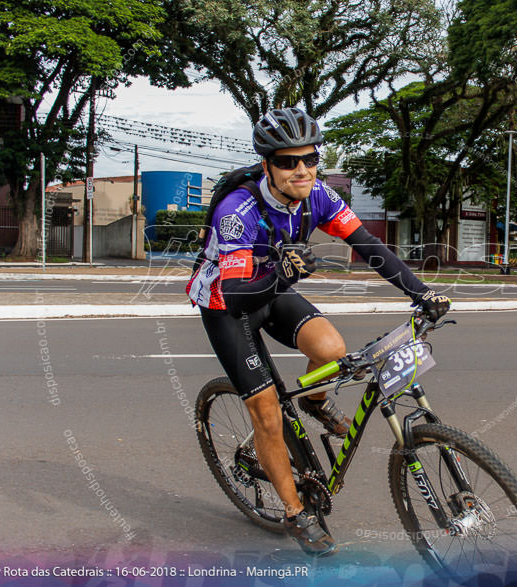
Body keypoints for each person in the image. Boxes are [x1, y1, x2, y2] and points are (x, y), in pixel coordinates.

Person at [186, 107, 450, 556]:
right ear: (267, 164)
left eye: (309, 159)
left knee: (331, 348)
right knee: (267, 413)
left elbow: (365, 243)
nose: (302, 170)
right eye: (288, 162)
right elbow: (236, 294)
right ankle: (295, 511)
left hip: (271, 285)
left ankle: (314, 401)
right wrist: (282, 276)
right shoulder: (238, 211)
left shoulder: (319, 195)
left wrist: (421, 293)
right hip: (228, 304)